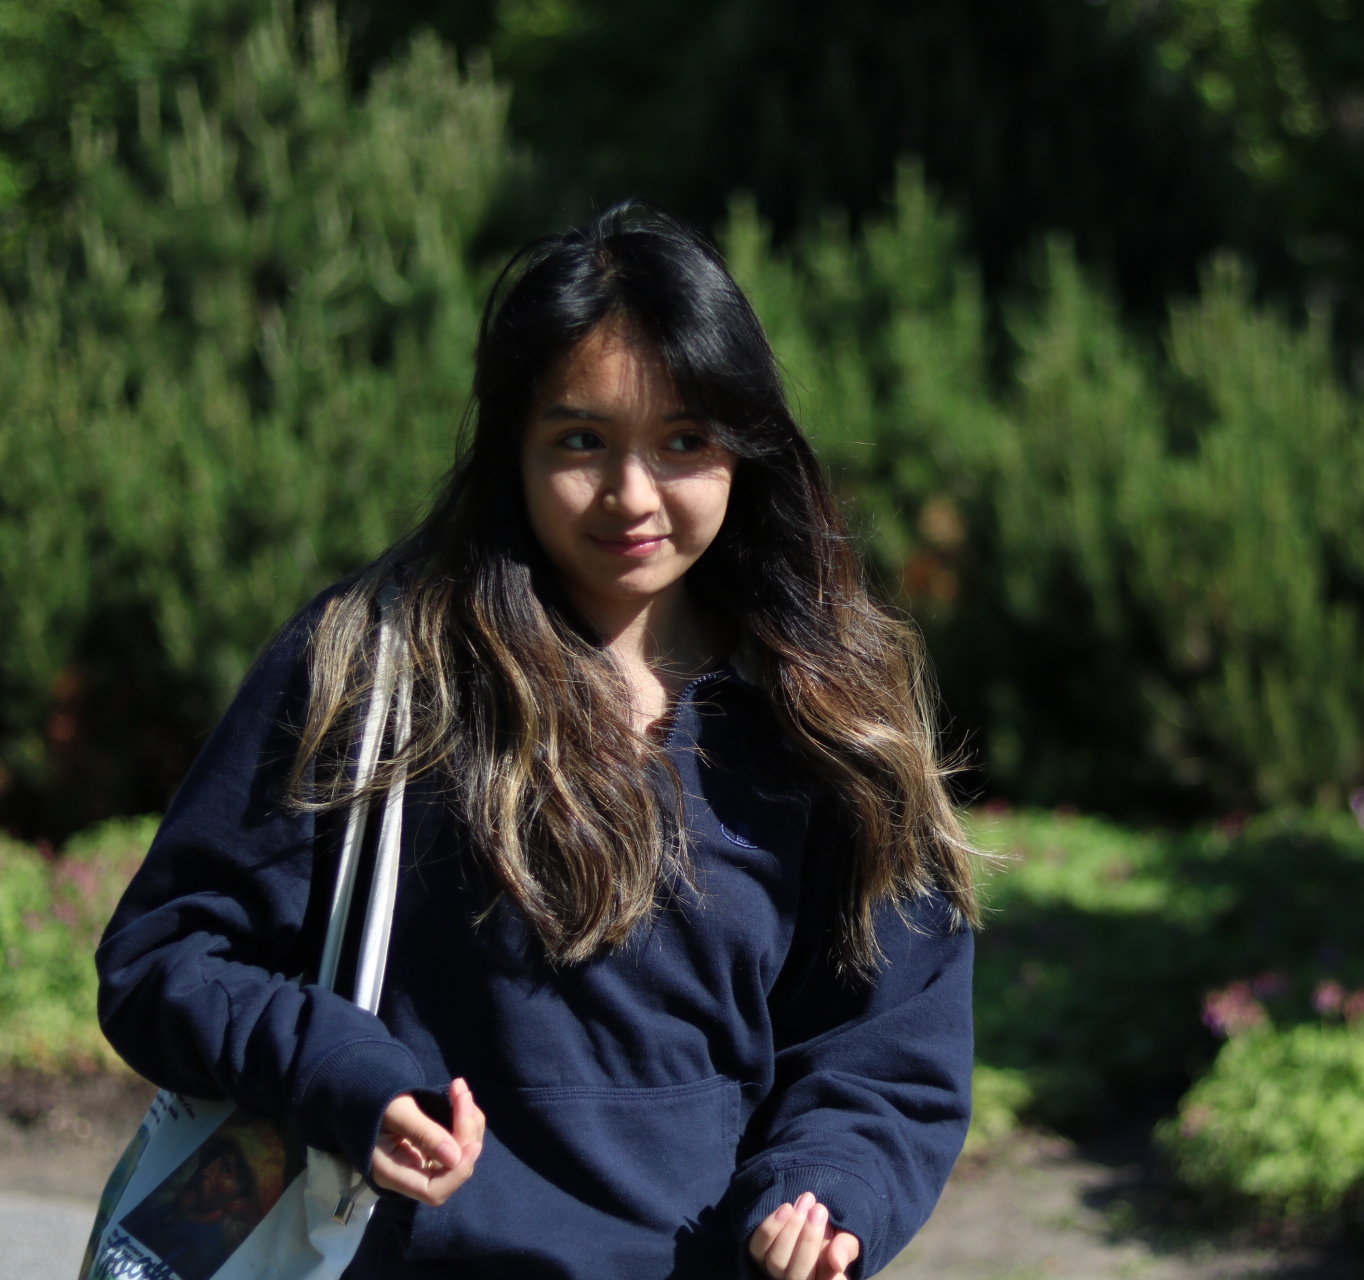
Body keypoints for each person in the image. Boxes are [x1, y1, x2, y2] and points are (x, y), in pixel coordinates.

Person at [96, 200, 980, 1280]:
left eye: (685, 441)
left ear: (746, 447)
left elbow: (885, 1049)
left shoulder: (828, 710)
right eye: (580, 441)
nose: (632, 495)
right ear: (511, 443)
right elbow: (168, 957)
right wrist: (350, 1075)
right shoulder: (375, 668)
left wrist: (832, 1186)